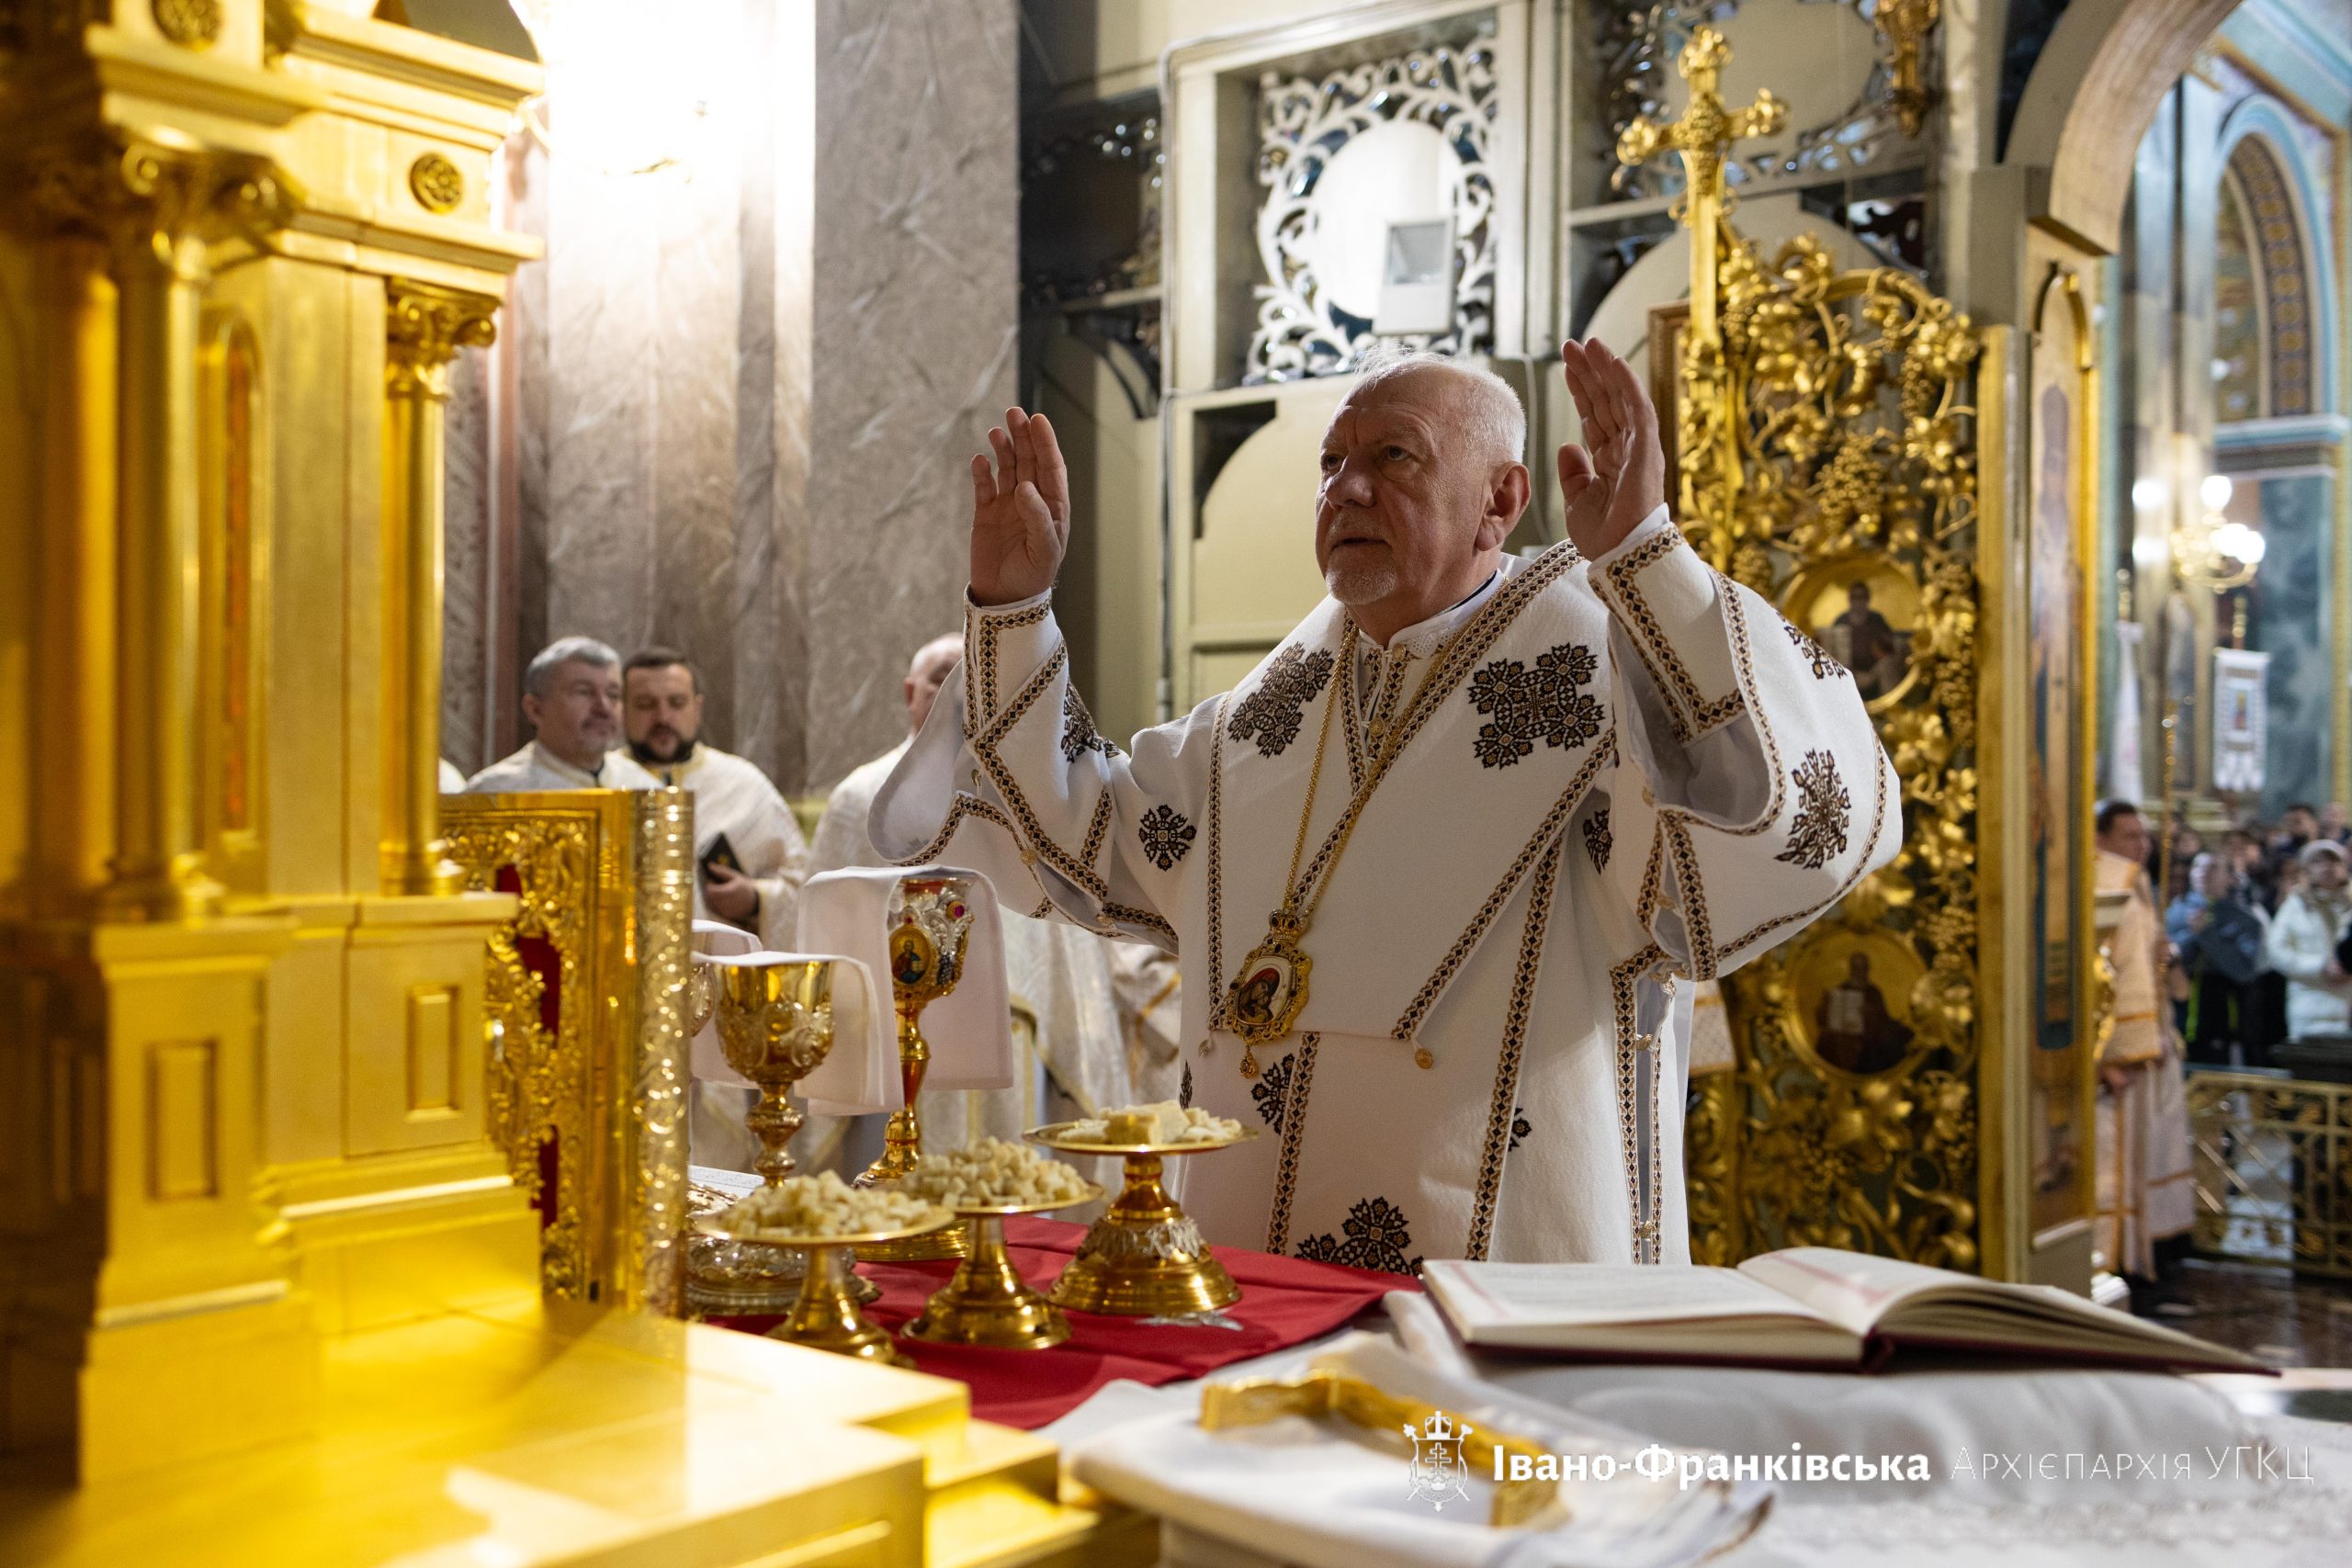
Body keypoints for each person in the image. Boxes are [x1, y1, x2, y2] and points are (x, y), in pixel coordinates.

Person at [871, 338, 1899, 1267]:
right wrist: (1011, 611)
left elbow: (1778, 814)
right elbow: (1089, 838)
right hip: (1253, 1277)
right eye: (1330, 463)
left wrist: (1645, 557)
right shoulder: (1269, 714)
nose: (1346, 490)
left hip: (1499, 1281)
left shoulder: (1610, 682)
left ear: (1500, 502)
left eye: (1394, 458)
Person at [813, 635, 1182, 1175]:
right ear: (909, 692)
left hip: (1010, 1025)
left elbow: (1066, 923)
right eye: (941, 676)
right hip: (888, 1032)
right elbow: (827, 922)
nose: (955, 693)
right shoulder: (860, 798)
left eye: (970, 680)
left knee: (1008, 1184)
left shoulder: (1028, 801)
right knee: (892, 1192)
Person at [623, 647, 810, 951]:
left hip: (725, 978)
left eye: (677, 702)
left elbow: (802, 885)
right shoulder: (605, 785)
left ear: (697, 708)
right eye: (645, 705)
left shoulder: (745, 784)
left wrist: (754, 900)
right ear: (622, 709)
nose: (663, 716)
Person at [2091, 801, 2193, 1305]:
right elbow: (2103, 965)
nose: (2143, 845)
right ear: (2101, 837)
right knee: (2111, 1161)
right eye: (2130, 835)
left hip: (2152, 1043)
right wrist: (2113, 1053)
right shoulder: (2101, 880)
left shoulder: (2133, 881)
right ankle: (2113, 1258)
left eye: (2145, 836)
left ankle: (2145, 1251)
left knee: (2147, 1153)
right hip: (2117, 1052)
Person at [467, 637, 660, 793]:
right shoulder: (493, 793)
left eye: (613, 695)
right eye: (583, 692)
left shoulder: (644, 788)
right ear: (535, 709)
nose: (604, 708)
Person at [2165, 851, 2269, 1067]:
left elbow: (2243, 971)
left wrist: (2207, 934)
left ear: (2230, 877)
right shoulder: (2173, 914)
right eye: (2197, 866)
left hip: (2221, 1022)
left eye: (2213, 867)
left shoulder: (2244, 919)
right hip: (2176, 1018)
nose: (2203, 872)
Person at [2265, 838, 2352, 1039]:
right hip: (2308, 1005)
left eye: (2334, 861)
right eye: (2318, 862)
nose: (2326, 868)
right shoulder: (2295, 905)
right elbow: (2277, 951)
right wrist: (2319, 967)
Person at [1813, 952, 1913, 1075]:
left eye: (1862, 967)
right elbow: (1827, 1017)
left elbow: (1883, 1017)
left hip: (1870, 1033)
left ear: (1867, 969)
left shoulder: (1873, 991)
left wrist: (1870, 1013)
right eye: (1856, 967)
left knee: (1899, 1035)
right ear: (1852, 969)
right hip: (1843, 1034)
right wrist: (1826, 1006)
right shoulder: (1841, 989)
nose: (1859, 971)